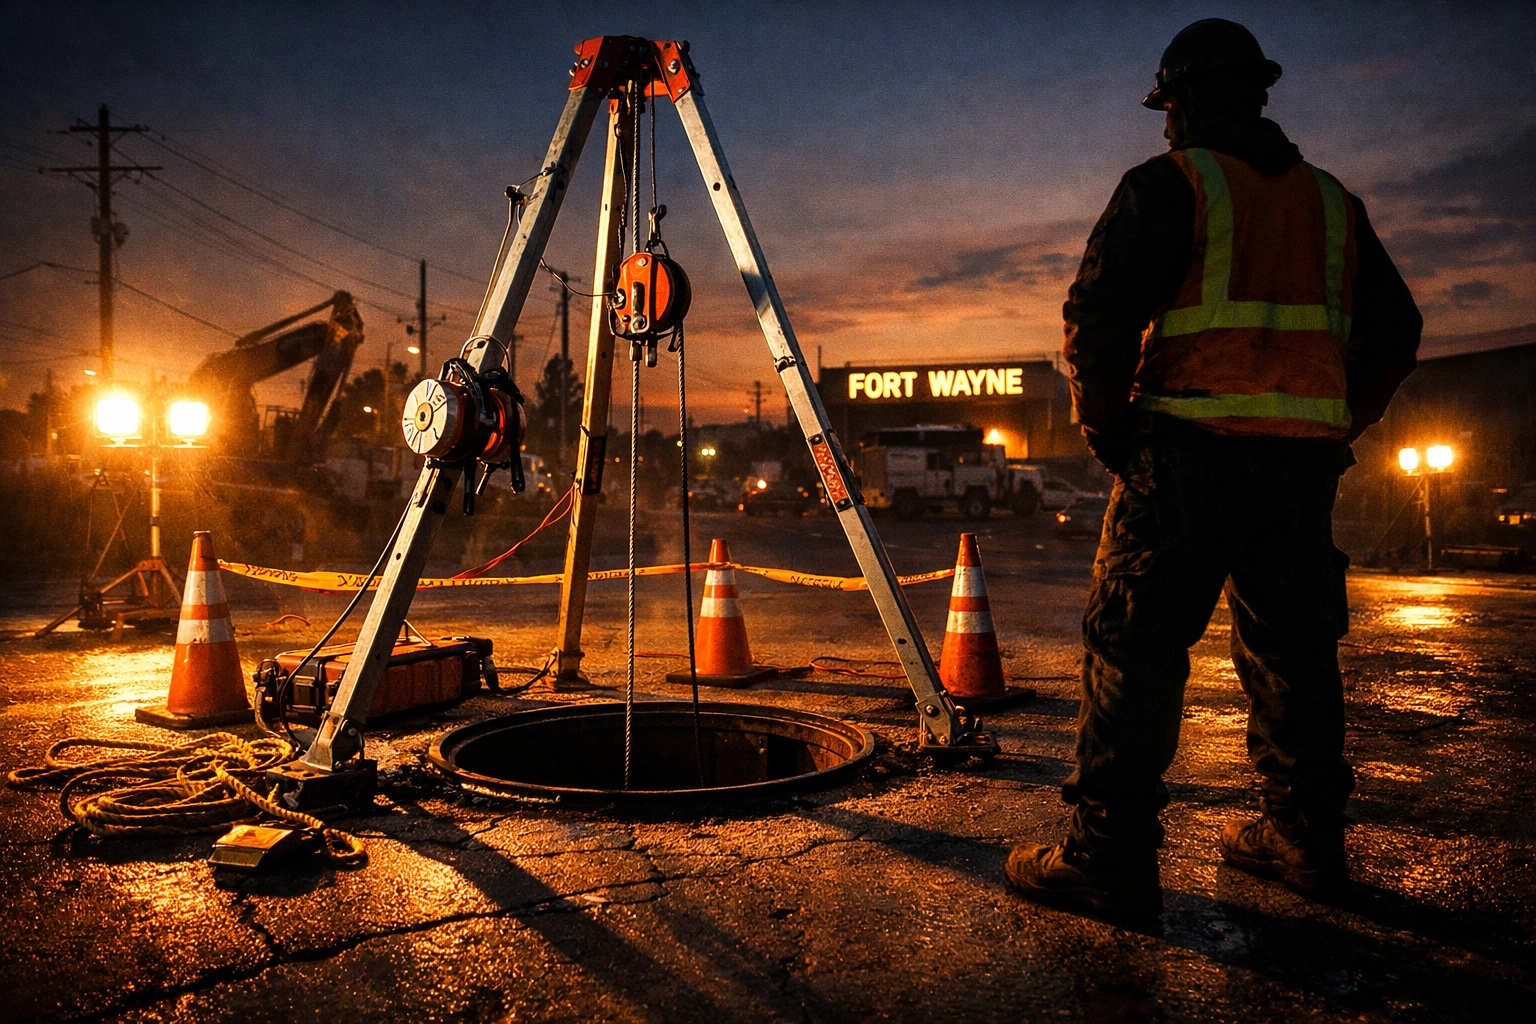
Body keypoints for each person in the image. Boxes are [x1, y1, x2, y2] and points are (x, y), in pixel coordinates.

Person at [1005, 18, 1422, 920]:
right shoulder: (1331, 202)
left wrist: (1112, 434)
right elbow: (1397, 332)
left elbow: (1101, 315)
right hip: (1299, 471)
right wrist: (1337, 418)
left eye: (1167, 107)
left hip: (1184, 457)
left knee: (1136, 650)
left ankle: (1109, 858)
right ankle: (1306, 843)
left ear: (1184, 100)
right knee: (1295, 653)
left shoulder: (1172, 184)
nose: (1163, 126)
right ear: (1259, 94)